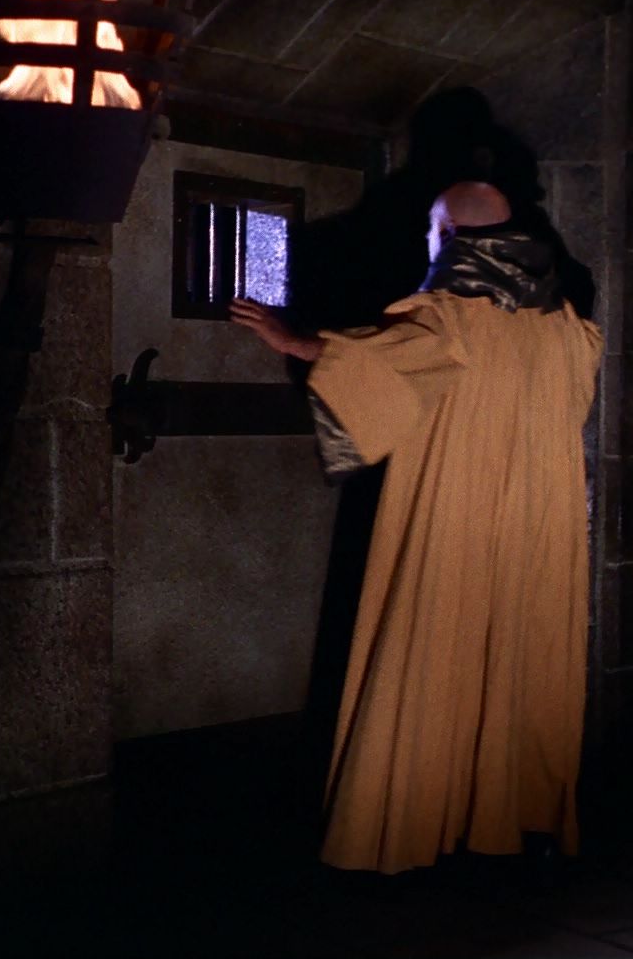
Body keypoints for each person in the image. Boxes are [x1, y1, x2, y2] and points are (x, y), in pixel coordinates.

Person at [231, 177, 602, 875]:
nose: (427, 240)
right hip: (535, 535)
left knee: (436, 654)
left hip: (458, 521)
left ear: (453, 236)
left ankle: (410, 825)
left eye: (433, 228)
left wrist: (290, 339)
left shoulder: (448, 317)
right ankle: (518, 819)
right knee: (517, 664)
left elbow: (377, 361)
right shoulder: (568, 329)